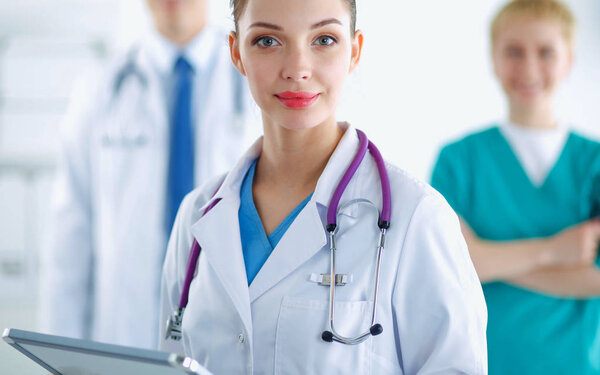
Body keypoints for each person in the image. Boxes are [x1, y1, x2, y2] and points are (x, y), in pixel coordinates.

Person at [158, 0, 487, 373]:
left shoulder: (416, 216)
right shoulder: (198, 215)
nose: (298, 69)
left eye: (324, 39)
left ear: (354, 50)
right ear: (237, 52)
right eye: (267, 41)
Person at [39, 0, 258, 349]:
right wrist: (62, 354)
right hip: (124, 333)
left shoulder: (254, 85)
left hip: (226, 332)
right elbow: (70, 241)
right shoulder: (99, 90)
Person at [431, 0, 600, 373]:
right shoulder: (458, 161)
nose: (529, 68)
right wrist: (555, 250)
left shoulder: (594, 163)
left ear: (569, 60)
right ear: (492, 58)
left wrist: (484, 260)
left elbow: (597, 278)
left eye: (545, 52)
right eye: (513, 51)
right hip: (483, 361)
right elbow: (447, 266)